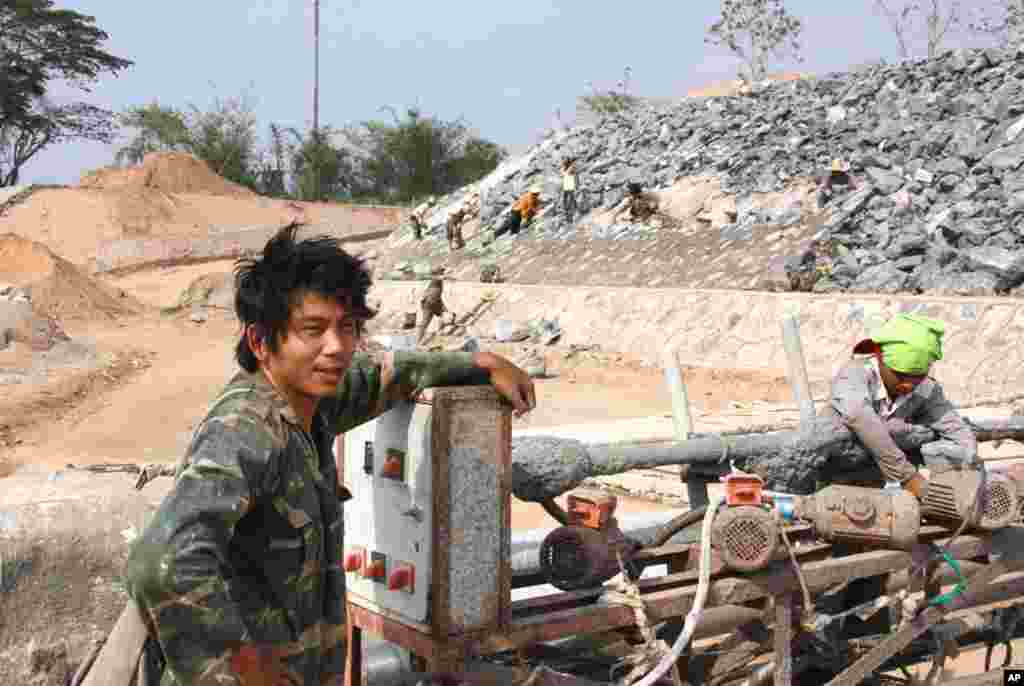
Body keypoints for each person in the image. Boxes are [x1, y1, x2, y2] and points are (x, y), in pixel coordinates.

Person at [124, 224, 536, 686]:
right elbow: (161, 561)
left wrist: (479, 363)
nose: (337, 347)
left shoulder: (312, 406)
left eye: (348, 327)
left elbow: (386, 374)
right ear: (261, 342)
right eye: (313, 330)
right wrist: (240, 664)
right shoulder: (247, 431)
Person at [824, 313, 977, 497]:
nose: (909, 384)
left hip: (874, 482)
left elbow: (956, 429)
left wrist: (970, 470)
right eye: (901, 375)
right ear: (881, 359)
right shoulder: (854, 374)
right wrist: (907, 477)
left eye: (918, 376)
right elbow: (859, 417)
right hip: (832, 474)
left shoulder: (927, 389)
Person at [417, 278, 448, 344]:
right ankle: (418, 341)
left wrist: (443, 307)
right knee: (424, 324)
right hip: (428, 305)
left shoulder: (439, 285)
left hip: (436, 304)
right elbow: (424, 298)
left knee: (443, 319)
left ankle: (439, 340)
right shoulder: (434, 283)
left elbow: (438, 297)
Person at [560, 158, 579, 223]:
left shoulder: (570, 168)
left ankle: (571, 215)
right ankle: (569, 215)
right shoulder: (566, 168)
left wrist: (577, 184)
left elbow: (575, 176)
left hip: (569, 186)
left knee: (570, 200)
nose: (563, 163)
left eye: (564, 162)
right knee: (567, 201)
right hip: (567, 186)